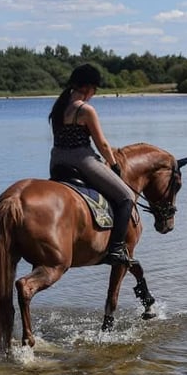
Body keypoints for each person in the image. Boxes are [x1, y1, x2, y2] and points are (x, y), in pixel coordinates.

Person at [48, 63, 136, 266]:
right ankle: (115, 250)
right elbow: (102, 144)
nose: (94, 94)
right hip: (82, 160)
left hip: (56, 161)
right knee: (126, 197)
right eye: (94, 90)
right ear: (88, 88)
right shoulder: (85, 109)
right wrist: (113, 165)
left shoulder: (59, 106)